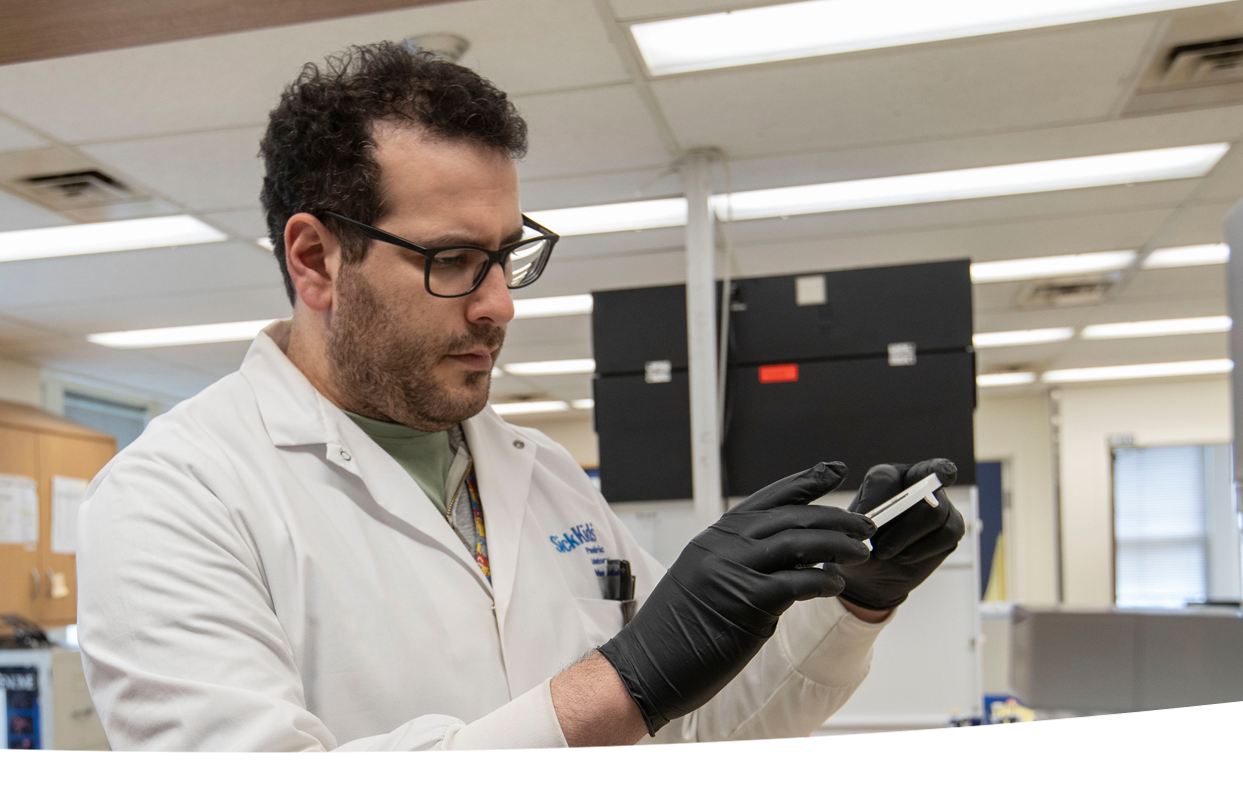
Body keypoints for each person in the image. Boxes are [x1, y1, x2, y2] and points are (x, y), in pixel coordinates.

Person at [76, 41, 966, 752]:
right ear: (315, 260)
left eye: (507, 256)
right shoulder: (175, 496)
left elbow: (695, 729)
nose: (499, 303)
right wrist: (621, 680)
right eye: (452, 259)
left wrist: (856, 605)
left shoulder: (540, 475)